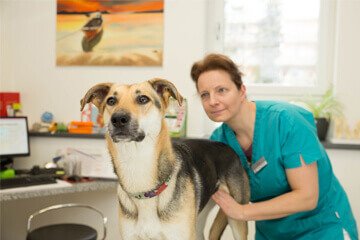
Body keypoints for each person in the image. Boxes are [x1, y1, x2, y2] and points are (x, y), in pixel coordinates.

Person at [190, 53, 358, 240]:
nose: (212, 101)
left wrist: (243, 212)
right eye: (205, 94)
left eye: (221, 90)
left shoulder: (286, 122)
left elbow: (307, 197)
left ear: (242, 90)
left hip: (320, 229)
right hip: (271, 234)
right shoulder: (219, 143)